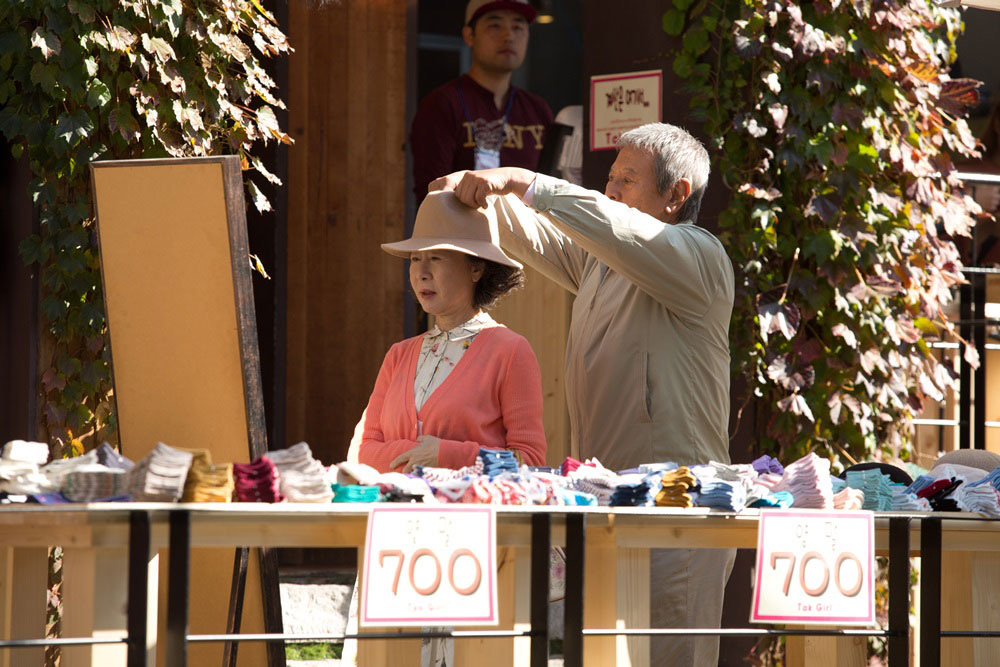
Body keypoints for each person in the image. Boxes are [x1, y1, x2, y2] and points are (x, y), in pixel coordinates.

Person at [432, 122, 736, 666]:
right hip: (606, 504)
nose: (610, 191)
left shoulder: (699, 257)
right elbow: (543, 232)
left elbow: (614, 228)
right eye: (610, 177)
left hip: (680, 509)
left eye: (627, 180)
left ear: (676, 195)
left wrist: (528, 180)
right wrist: (476, 193)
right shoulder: (602, 261)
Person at [356, 189, 546, 475]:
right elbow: (364, 451)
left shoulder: (510, 351)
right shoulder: (399, 354)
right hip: (398, 516)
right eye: (415, 259)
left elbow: (529, 460)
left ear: (476, 268)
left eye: (436, 258)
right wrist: (418, 456)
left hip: (471, 517)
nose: (421, 272)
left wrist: (448, 455)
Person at [409, 0, 554, 206]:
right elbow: (431, 195)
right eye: (495, 25)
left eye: (518, 26)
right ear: (469, 35)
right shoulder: (442, 104)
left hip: (526, 236)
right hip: (460, 236)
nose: (508, 36)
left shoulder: (538, 110)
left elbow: (549, 192)